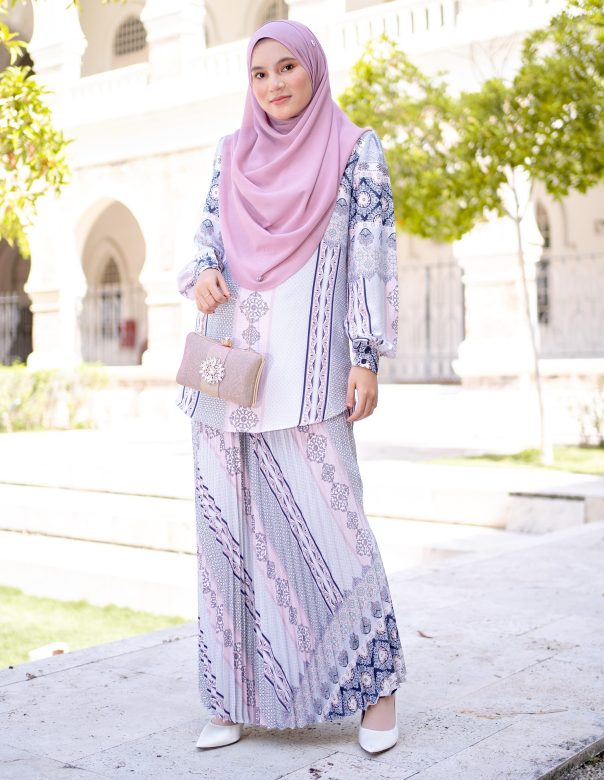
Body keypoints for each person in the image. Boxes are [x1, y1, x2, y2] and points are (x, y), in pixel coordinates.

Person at [176, 18, 406, 755]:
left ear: (313, 69)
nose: (273, 84)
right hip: (228, 373)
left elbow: (371, 254)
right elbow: (205, 242)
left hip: (309, 375)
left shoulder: (355, 150)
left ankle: (375, 690)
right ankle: (233, 695)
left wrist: (365, 354)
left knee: (336, 527)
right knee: (230, 536)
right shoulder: (231, 153)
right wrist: (201, 274)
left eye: (286, 68)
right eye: (259, 73)